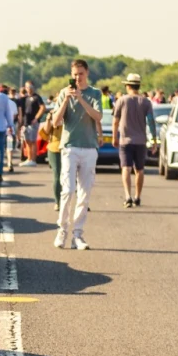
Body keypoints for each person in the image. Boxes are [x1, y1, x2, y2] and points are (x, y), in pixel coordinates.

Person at [51, 59, 103, 250]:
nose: (77, 77)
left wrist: (81, 98)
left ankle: (77, 235)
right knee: (68, 190)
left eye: (80, 73)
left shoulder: (94, 93)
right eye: (74, 74)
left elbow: (98, 116)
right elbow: (56, 121)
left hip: (89, 147)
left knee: (84, 193)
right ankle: (62, 230)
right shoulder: (64, 93)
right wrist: (66, 99)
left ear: (86, 73)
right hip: (69, 147)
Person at [112, 73, 156, 208]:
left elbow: (115, 121)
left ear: (127, 86)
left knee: (126, 168)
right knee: (140, 169)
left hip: (125, 140)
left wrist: (115, 137)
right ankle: (137, 196)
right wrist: (153, 140)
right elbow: (151, 122)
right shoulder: (146, 102)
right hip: (141, 141)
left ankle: (127, 196)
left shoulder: (121, 101)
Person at [39, 111, 64, 211]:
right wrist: (48, 119)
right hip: (56, 148)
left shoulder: (76, 111)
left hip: (72, 147)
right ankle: (58, 202)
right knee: (57, 175)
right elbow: (45, 133)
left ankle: (82, 203)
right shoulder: (54, 113)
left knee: (75, 177)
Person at [20, 83, 45, 168]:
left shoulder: (36, 97)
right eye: (27, 87)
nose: (29, 89)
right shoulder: (26, 98)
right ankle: (29, 158)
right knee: (27, 141)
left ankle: (33, 160)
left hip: (33, 123)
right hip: (26, 122)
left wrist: (36, 118)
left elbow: (42, 107)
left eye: (30, 87)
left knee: (33, 141)